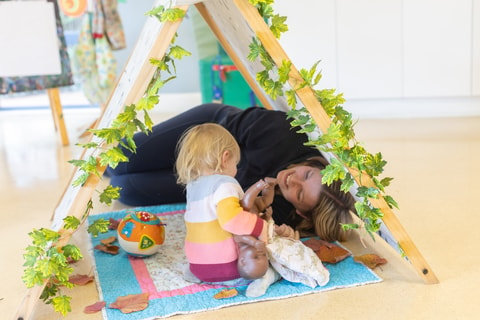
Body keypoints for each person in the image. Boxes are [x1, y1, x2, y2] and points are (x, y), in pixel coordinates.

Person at [107, 103, 356, 242]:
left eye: (299, 194)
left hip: (209, 180)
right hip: (207, 133)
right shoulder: (286, 134)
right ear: (316, 164)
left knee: (124, 189)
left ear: (300, 210)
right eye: (308, 175)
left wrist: (262, 213)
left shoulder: (281, 212)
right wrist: (215, 157)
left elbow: (241, 220)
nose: (294, 180)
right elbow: (224, 128)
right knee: (117, 162)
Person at [175, 123, 271, 282]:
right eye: (236, 163)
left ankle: (196, 274)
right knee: (264, 256)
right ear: (225, 158)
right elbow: (231, 220)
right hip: (226, 266)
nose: (236, 169)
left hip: (197, 266)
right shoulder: (225, 183)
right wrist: (261, 226)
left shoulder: (193, 186)